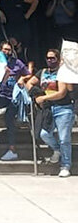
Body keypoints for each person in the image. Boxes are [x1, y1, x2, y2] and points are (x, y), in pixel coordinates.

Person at [26, 48, 74, 177]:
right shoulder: (43, 72)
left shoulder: (63, 73)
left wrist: (44, 98)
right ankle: (57, 150)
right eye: (48, 58)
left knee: (64, 138)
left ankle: (65, 165)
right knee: (44, 134)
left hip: (63, 108)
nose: (49, 60)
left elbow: (61, 93)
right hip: (47, 108)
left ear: (58, 59)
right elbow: (29, 83)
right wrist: (36, 93)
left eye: (52, 58)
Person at [0, 40, 29, 161]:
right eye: (4, 49)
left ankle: (12, 149)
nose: (6, 52)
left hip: (12, 97)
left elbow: (28, 74)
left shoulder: (17, 62)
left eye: (8, 49)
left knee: (9, 120)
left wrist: (22, 78)